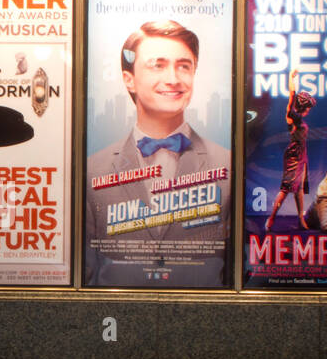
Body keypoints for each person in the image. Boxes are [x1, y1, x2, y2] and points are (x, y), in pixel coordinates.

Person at [84, 20, 232, 287]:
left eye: (184, 66)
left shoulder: (228, 165)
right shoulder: (93, 169)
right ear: (129, 80)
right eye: (158, 65)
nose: (173, 79)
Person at [265, 67, 316, 232]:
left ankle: (301, 219)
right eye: (308, 107)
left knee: (299, 189)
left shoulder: (298, 117)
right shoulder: (293, 116)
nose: (310, 111)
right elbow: (292, 95)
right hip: (294, 154)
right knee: (286, 189)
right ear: (304, 107)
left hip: (302, 153)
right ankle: (271, 219)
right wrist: (291, 77)